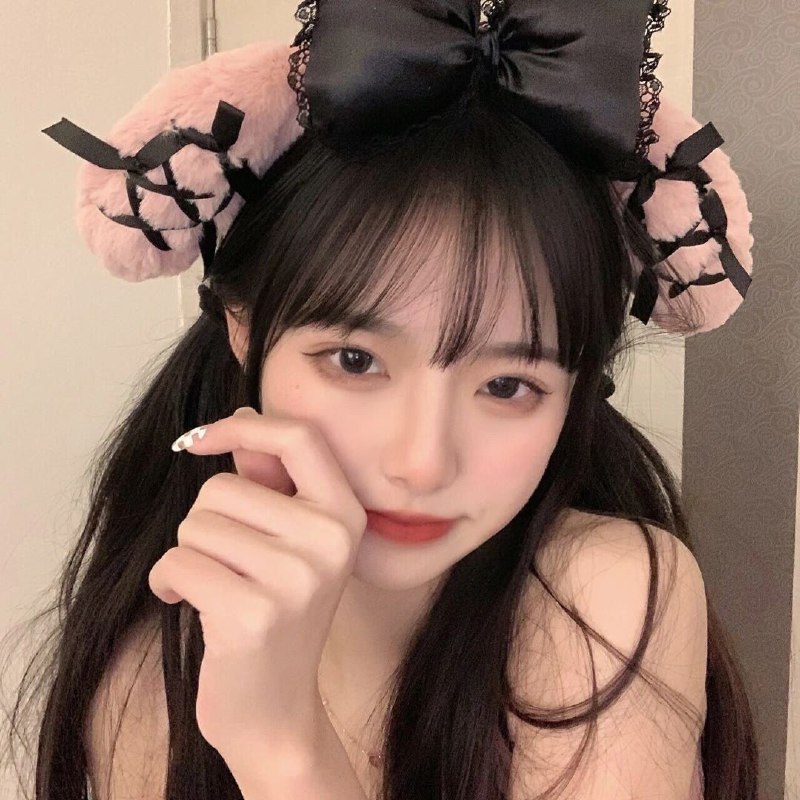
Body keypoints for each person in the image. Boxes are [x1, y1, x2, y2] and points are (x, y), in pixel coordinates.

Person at [2, 0, 760, 798]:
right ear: (243, 330)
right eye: (356, 361)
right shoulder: (148, 672)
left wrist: (281, 746)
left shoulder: (604, 598)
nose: (421, 463)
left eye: (508, 385)